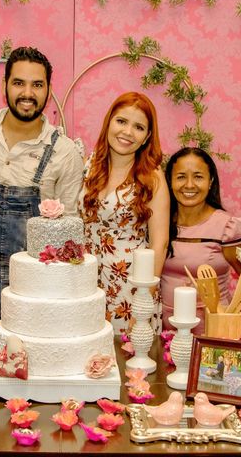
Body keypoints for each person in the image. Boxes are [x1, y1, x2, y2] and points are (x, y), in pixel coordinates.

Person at [0, 46, 84, 319]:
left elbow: (68, 230)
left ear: (49, 90)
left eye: (37, 85)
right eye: (19, 83)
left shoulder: (64, 151)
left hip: (34, 287)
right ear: (4, 85)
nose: (28, 94)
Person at [80, 91, 170, 335]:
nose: (128, 132)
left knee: (126, 365)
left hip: (129, 289)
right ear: (109, 122)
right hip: (86, 284)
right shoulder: (90, 165)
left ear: (147, 137)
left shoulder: (152, 179)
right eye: (121, 121)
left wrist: (144, 302)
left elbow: (159, 245)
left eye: (138, 127)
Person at [160, 147, 241, 333]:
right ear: (169, 181)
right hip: (164, 330)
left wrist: (233, 323)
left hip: (211, 332)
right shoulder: (159, 223)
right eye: (181, 176)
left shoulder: (227, 227)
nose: (189, 185)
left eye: (198, 176)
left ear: (211, 182)